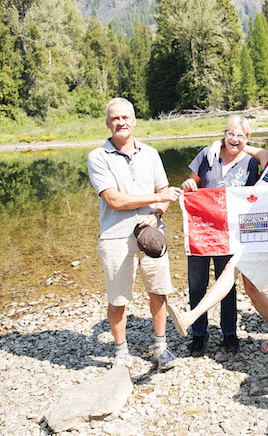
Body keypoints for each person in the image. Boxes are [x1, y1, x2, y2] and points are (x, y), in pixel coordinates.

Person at [168, 124, 268, 353]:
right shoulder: (267, 159)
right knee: (252, 289)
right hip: (254, 231)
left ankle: (190, 317)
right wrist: (218, 143)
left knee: (230, 270)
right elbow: (242, 145)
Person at [87, 97, 182, 369]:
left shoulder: (151, 153)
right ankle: (121, 353)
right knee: (118, 299)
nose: (120, 122)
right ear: (107, 123)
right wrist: (155, 196)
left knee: (158, 291)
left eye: (125, 117)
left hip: (151, 233)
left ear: (134, 121)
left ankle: (161, 348)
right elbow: (114, 200)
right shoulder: (97, 157)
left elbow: (165, 196)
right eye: (115, 118)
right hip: (115, 236)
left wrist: (157, 214)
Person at [180, 116, 259, 356]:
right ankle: (199, 334)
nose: (235, 139)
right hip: (201, 232)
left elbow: (253, 198)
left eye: (241, 135)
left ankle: (229, 334)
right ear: (224, 135)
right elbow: (191, 182)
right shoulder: (207, 154)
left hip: (230, 234)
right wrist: (188, 185)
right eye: (231, 134)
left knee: (227, 286)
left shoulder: (250, 164)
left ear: (247, 139)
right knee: (197, 284)